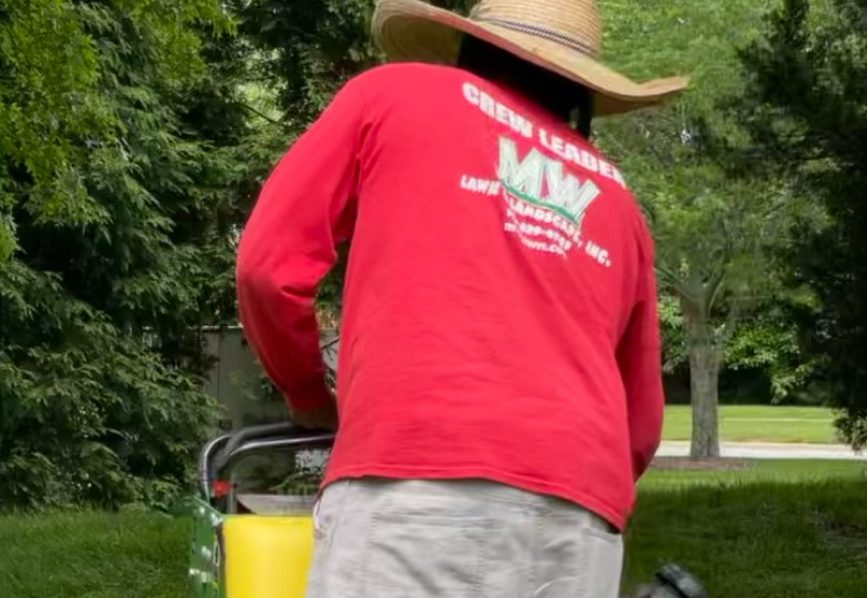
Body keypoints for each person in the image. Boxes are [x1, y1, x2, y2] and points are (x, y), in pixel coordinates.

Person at [235, 0, 688, 596]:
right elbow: (641, 424)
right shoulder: (617, 200)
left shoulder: (394, 96)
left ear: (471, 46)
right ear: (581, 90)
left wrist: (310, 396)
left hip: (413, 485)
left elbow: (268, 268)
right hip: (578, 518)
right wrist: (566, 476)